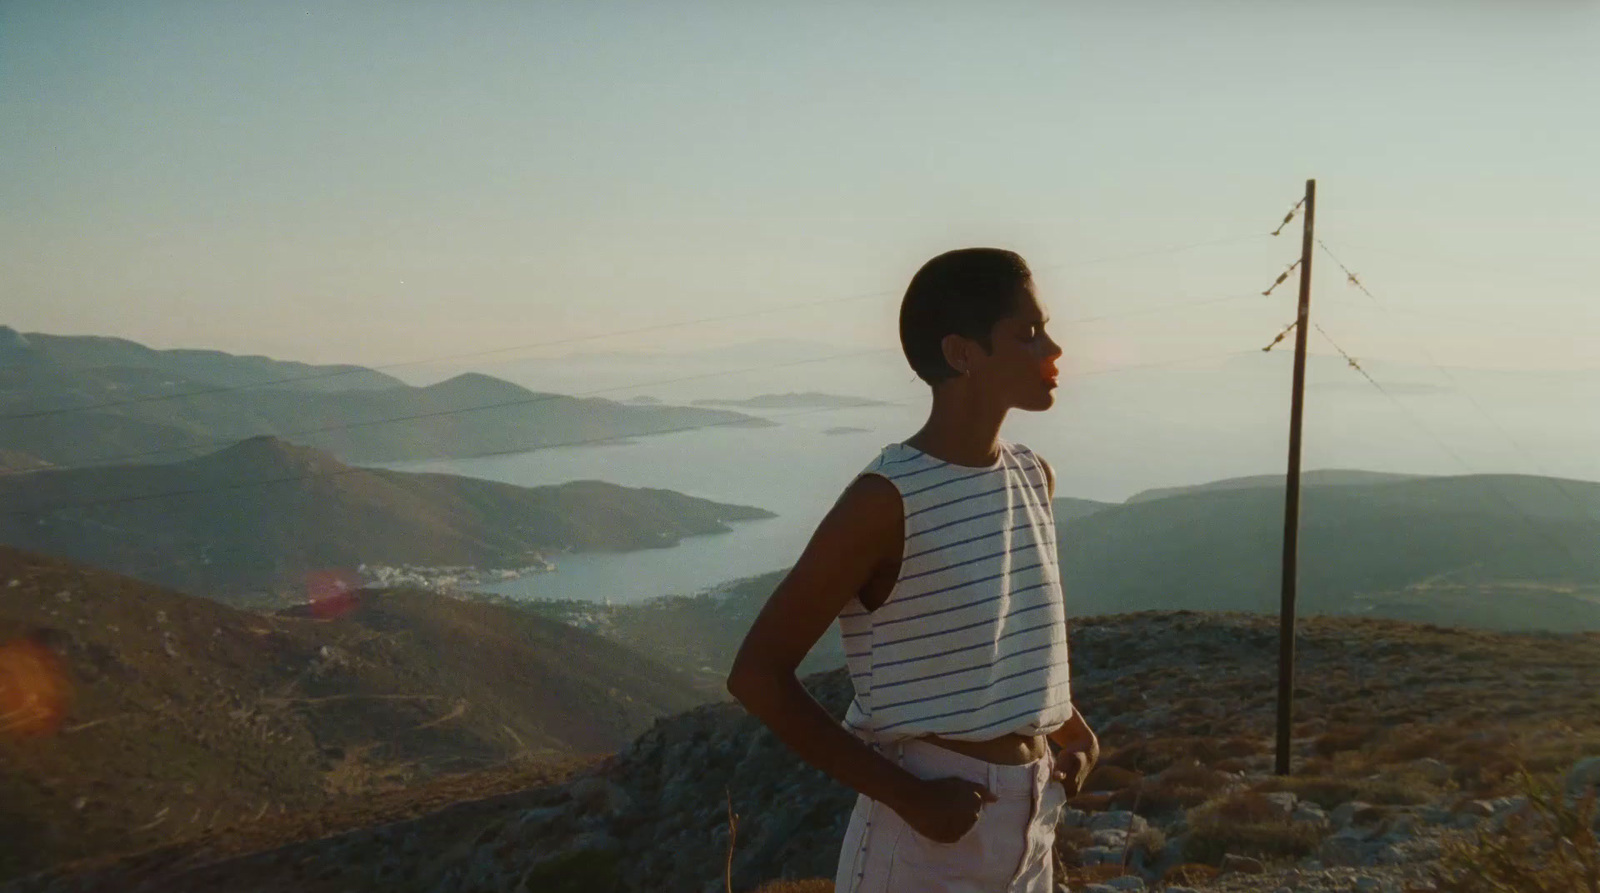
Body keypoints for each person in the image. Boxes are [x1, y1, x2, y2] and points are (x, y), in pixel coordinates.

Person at [727, 247, 1100, 892]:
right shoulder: (884, 500)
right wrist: (907, 796)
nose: (1054, 347)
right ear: (962, 354)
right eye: (1028, 331)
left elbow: (1005, 639)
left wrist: (1073, 731)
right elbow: (757, 676)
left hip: (1032, 826)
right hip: (926, 843)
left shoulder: (1032, 476)